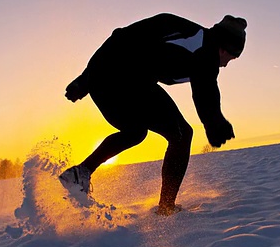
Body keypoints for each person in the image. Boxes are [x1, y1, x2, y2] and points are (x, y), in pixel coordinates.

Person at [60, 13, 246, 215]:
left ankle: (80, 173)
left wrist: (214, 121)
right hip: (115, 78)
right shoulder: (183, 32)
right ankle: (166, 207)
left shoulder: (204, 58)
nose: (226, 64)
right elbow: (121, 37)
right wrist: (85, 79)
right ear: (223, 47)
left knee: (138, 131)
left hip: (132, 83)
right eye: (231, 57)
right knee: (180, 134)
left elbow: (205, 88)